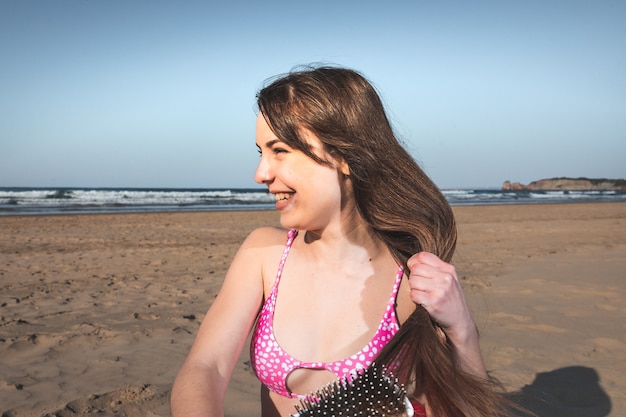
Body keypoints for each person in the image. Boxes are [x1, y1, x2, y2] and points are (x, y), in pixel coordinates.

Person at [171, 65, 513, 417]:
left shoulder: (412, 279)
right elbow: (205, 368)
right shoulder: (264, 253)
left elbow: (460, 410)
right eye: (260, 152)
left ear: (345, 156)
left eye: (280, 151)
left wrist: (463, 331)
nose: (261, 173)